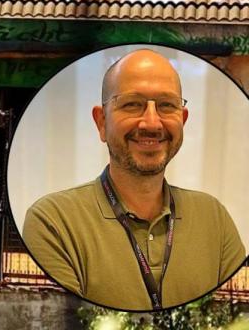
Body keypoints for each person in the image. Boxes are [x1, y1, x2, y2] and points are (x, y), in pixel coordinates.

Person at [23, 49, 245, 311]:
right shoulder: (54, 222)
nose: (152, 123)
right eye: (132, 104)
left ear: (182, 120)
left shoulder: (214, 219)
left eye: (166, 105)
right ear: (101, 122)